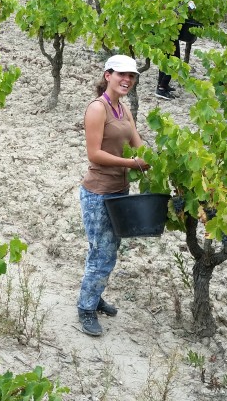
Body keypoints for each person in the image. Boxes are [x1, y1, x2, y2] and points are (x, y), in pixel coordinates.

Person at [77, 55, 149, 336]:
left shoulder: (124, 110)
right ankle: (85, 308)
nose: (127, 80)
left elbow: (138, 145)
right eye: (122, 74)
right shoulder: (98, 109)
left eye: (131, 76)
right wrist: (132, 164)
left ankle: (94, 295)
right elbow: (94, 153)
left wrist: (154, 161)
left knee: (107, 249)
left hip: (120, 191)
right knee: (102, 252)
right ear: (108, 75)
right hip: (98, 193)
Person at [155, 0, 191, 100]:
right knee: (174, 60)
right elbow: (163, 8)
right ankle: (161, 88)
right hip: (167, 30)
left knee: (167, 58)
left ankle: (162, 85)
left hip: (173, 30)